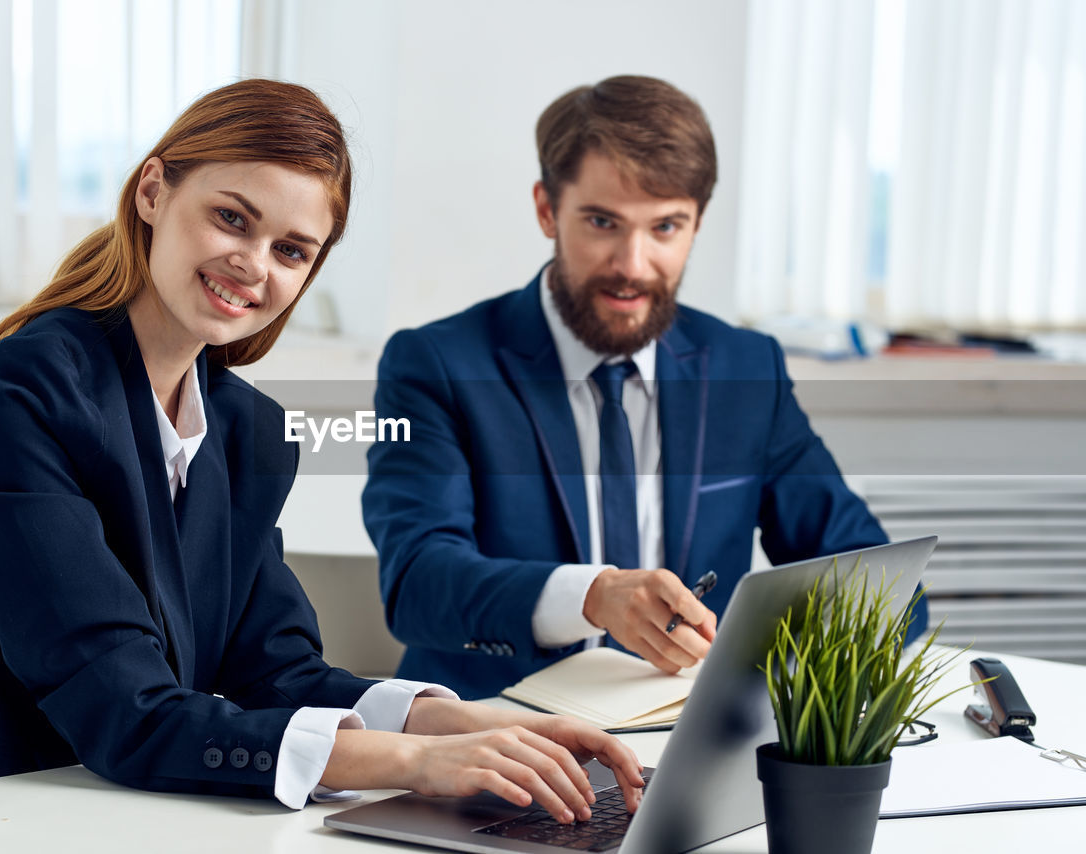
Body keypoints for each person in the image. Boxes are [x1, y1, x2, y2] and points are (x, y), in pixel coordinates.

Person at [0, 79, 646, 823]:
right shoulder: (27, 394)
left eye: (292, 250)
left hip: (121, 812)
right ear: (153, 191)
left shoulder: (242, 428)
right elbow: (124, 709)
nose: (253, 265)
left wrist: (466, 722)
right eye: (233, 218)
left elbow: (277, 671)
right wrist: (417, 761)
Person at [362, 75, 926, 701]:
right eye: (603, 222)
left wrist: (753, 672)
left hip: (686, 741)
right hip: (496, 743)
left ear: (696, 224)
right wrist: (594, 598)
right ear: (547, 209)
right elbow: (417, 584)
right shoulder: (436, 364)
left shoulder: (745, 368)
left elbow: (878, 583)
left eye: (665, 227)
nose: (633, 264)